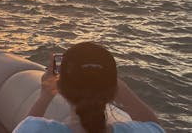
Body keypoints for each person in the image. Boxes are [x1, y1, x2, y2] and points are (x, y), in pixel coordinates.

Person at [13, 42, 164, 133]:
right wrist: (121, 89)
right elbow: (154, 126)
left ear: (62, 88)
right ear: (113, 90)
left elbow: (27, 125)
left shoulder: (34, 129)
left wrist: (45, 96)